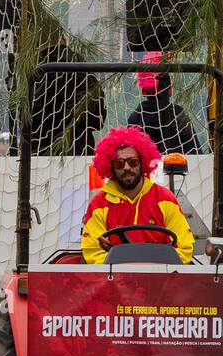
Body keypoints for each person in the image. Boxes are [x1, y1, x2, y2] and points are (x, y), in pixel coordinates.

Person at [81, 126, 194, 264]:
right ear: (110, 167)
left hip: (160, 280)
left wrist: (152, 271)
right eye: (119, 163)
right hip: (115, 282)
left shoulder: (166, 199)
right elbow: (93, 252)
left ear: (143, 162)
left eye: (133, 162)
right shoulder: (98, 204)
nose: (127, 167)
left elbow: (184, 248)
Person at [126, 52, 202, 154]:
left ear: (143, 91)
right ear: (170, 91)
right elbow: (195, 152)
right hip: (175, 167)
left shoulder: (135, 118)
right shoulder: (178, 115)